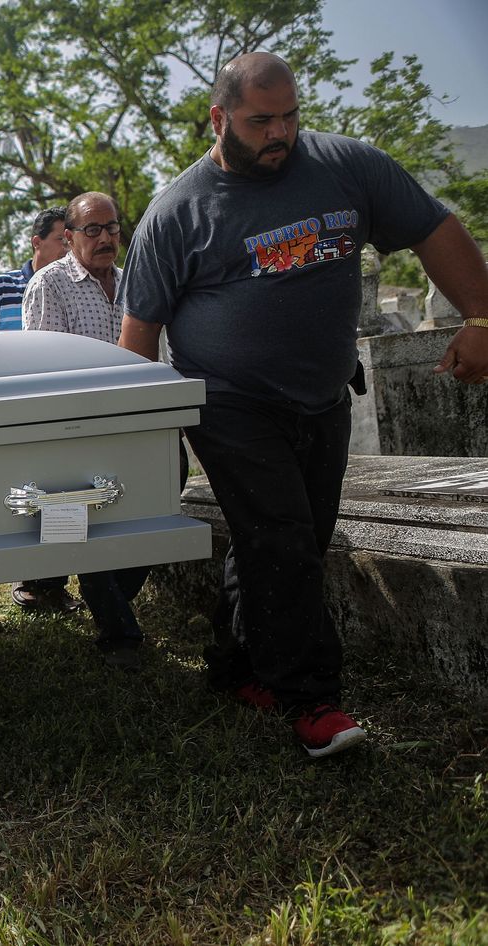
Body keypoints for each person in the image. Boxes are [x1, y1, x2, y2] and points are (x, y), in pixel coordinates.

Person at [117, 51, 488, 757]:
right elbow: (138, 338)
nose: (279, 133)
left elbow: (433, 228)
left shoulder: (348, 167)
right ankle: (312, 701)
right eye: (261, 121)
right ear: (219, 118)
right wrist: (144, 438)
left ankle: (238, 669)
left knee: (290, 538)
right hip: (229, 404)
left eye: (290, 116)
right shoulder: (177, 213)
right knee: (283, 536)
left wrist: (480, 317)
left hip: (322, 395)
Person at [24, 191, 183, 670]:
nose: (105, 238)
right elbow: (41, 370)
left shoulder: (140, 279)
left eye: (112, 228)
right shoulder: (49, 285)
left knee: (158, 507)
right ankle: (119, 632)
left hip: (148, 424)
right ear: (69, 237)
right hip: (84, 433)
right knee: (97, 527)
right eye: (91, 230)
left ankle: (108, 594)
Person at [0, 206, 81, 613]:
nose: (69, 249)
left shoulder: (76, 286)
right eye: (60, 241)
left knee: (61, 490)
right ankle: (30, 576)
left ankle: (52, 582)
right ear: (37, 243)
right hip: (14, 408)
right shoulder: (0, 288)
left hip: (60, 407)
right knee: (26, 493)